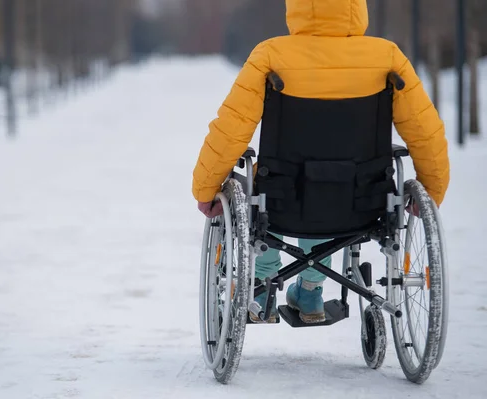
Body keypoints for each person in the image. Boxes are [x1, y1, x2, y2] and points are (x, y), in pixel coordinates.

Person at [193, 0, 450, 324]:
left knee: (269, 188)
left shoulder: (271, 56)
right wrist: (432, 188)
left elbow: (230, 129)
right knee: (331, 185)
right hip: (361, 199)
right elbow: (427, 133)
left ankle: (260, 287)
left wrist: (206, 188)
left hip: (283, 198)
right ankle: (311, 291)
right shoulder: (386, 57)